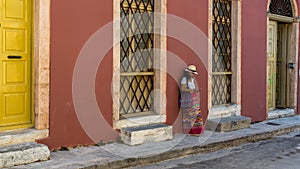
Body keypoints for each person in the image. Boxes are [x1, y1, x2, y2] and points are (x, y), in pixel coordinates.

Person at [179, 65, 204, 135]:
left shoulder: (192, 79)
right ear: (188, 73)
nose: (193, 75)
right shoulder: (184, 79)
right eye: (192, 73)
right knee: (189, 115)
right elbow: (182, 89)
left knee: (196, 114)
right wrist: (191, 90)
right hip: (187, 98)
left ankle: (196, 131)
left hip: (193, 98)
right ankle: (190, 131)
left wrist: (195, 91)